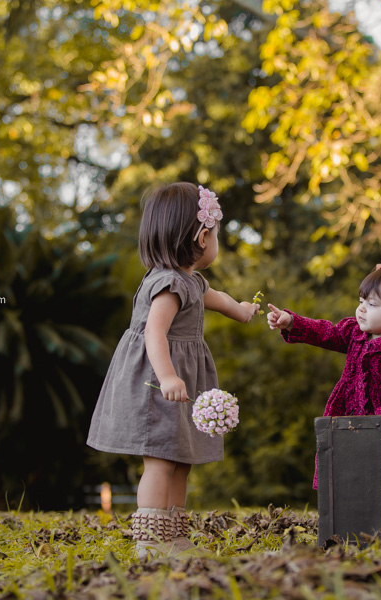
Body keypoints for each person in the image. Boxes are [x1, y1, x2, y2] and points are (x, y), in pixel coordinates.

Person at [87, 182, 258, 558]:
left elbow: (218, 299)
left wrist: (242, 311)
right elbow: (154, 331)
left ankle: (173, 533)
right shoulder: (167, 284)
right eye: (217, 236)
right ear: (202, 236)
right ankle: (149, 539)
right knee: (161, 459)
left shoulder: (191, 281)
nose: (217, 243)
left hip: (178, 381)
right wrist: (167, 376)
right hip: (157, 381)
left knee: (182, 458)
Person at [267, 262, 381, 519]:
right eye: (361, 300)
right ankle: (347, 519)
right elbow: (326, 333)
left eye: (372, 304)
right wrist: (292, 322)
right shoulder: (354, 333)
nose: (361, 309)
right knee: (344, 467)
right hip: (350, 411)